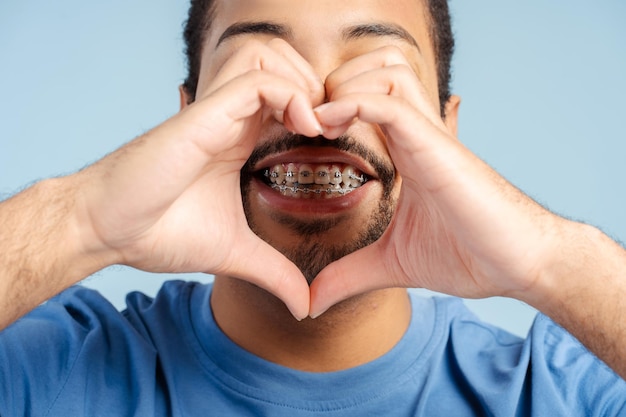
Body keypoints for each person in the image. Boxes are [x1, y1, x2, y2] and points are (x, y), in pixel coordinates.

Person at [1, 0, 625, 415]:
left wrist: (551, 262)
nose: (320, 117)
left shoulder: (564, 390)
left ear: (445, 130)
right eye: (258, 66)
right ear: (188, 119)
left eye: (379, 73)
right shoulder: (49, 363)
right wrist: (82, 222)